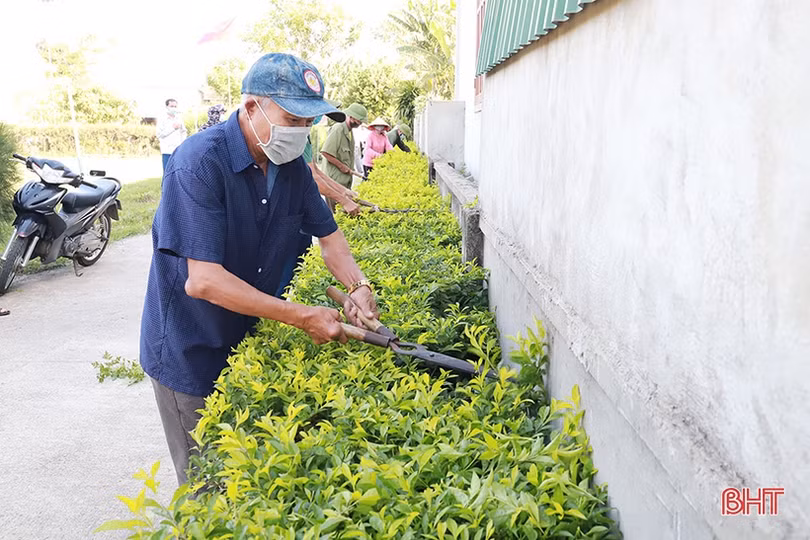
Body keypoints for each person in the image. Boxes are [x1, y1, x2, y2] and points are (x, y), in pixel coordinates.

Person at [140, 53, 380, 486]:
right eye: (292, 118)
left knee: (245, 480)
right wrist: (305, 316)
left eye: (309, 122)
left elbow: (330, 240)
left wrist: (359, 285)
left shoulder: (290, 169)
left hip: (245, 337)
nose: (301, 132)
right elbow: (204, 280)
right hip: (190, 348)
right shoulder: (198, 163)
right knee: (208, 487)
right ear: (252, 108)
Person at [321, 103, 368, 211]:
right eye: (359, 121)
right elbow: (325, 152)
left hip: (344, 183)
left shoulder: (349, 132)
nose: (359, 124)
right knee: (335, 214)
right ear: (352, 117)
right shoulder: (338, 129)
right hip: (334, 183)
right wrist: (342, 166)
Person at [156, 98, 187, 173]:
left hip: (178, 150)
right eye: (171, 106)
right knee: (168, 172)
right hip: (167, 150)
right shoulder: (162, 119)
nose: (174, 108)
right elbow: (159, 134)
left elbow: (183, 131)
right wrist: (173, 128)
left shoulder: (179, 118)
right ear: (167, 107)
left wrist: (183, 143)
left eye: (175, 106)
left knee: (178, 172)